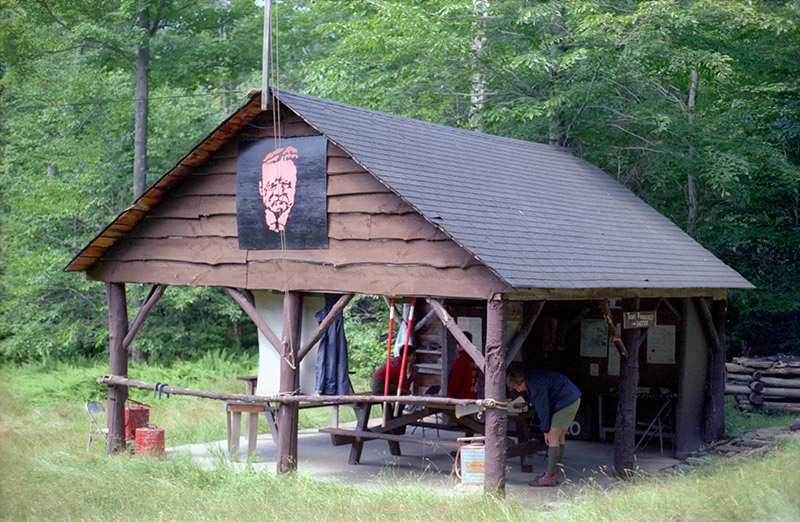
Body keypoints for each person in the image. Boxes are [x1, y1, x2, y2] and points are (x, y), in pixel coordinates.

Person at [507, 367, 581, 487]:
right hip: (571, 398)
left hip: (566, 402)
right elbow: (542, 396)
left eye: (516, 387)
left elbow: (543, 408)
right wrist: (529, 403)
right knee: (559, 438)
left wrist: (545, 430)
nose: (518, 391)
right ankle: (555, 472)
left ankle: (549, 476)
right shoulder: (532, 378)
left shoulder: (535, 385)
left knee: (552, 438)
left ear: (519, 382)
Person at [446, 332, 479, 399]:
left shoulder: (461, 359)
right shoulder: (474, 356)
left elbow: (455, 379)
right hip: (472, 394)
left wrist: (451, 393)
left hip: (460, 396)